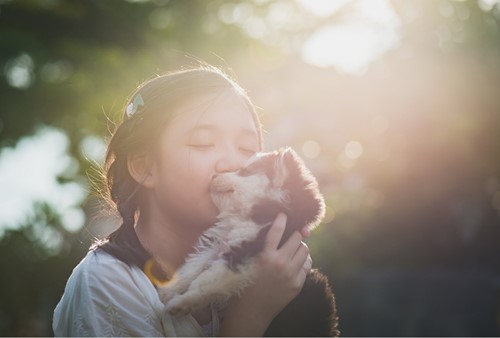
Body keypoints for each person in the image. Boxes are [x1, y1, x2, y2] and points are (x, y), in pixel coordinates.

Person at [52, 66, 312, 336]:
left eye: (247, 149)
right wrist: (253, 314)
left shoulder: (262, 271)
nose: (234, 163)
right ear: (145, 167)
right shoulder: (107, 282)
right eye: (203, 143)